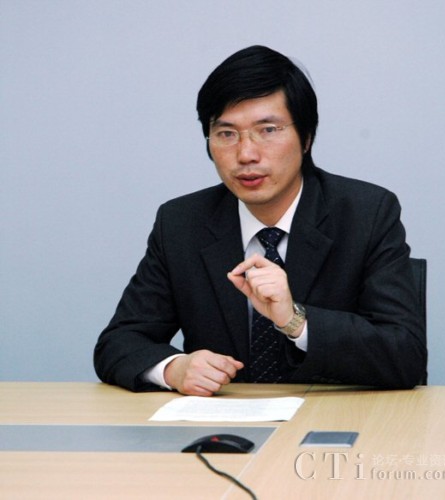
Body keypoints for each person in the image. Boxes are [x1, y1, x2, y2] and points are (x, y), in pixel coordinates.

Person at [94, 45, 427, 396]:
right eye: (226, 134)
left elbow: (405, 354)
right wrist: (174, 369)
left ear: (306, 138)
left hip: (336, 421)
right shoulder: (181, 223)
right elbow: (118, 342)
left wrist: (295, 320)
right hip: (222, 424)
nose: (246, 154)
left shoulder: (366, 213)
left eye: (268, 130)